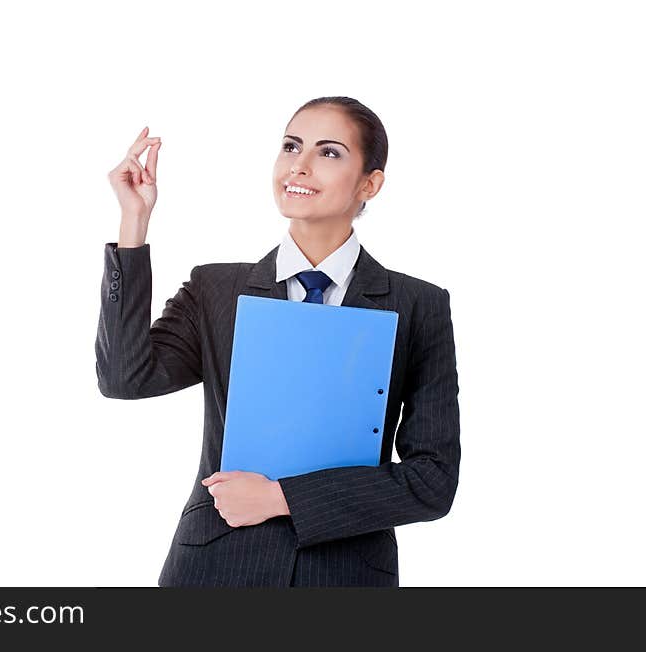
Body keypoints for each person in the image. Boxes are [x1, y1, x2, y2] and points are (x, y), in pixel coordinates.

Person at [95, 96, 460, 587]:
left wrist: (281, 497)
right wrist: (133, 225)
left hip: (346, 574)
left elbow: (432, 481)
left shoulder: (417, 305)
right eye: (291, 146)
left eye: (329, 153)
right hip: (215, 570)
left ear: (370, 183)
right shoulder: (216, 290)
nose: (300, 166)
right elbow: (125, 377)